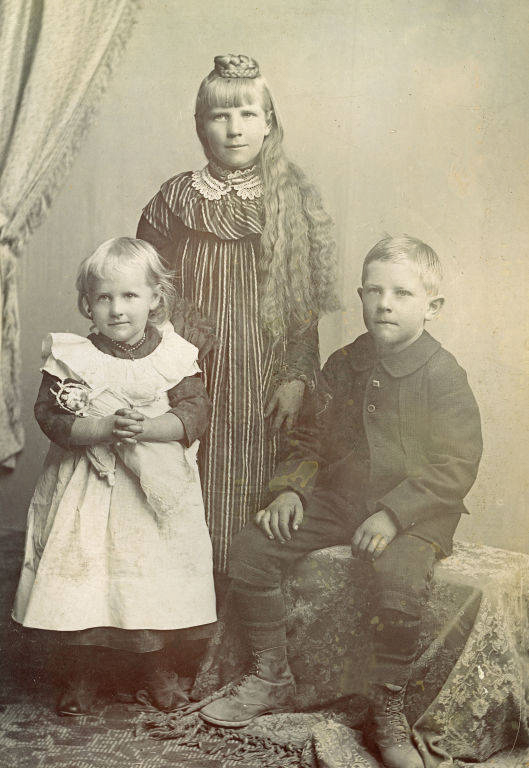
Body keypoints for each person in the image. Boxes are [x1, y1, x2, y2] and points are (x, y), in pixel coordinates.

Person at [199, 235, 483, 768]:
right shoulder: (344, 362)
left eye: (402, 293)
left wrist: (395, 513)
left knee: (400, 578)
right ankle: (271, 675)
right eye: (374, 291)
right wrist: (290, 489)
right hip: (342, 498)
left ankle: (386, 710)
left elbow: (457, 463)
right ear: (360, 296)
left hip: (416, 512)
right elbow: (309, 436)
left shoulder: (443, 373)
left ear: (433, 306)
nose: (385, 304)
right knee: (254, 546)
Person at [137, 54, 338, 574]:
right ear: (200, 125)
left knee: (255, 475)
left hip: (264, 369)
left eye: (248, 114)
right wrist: (177, 339)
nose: (234, 128)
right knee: (186, 476)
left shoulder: (292, 195)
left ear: (268, 122)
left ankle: (241, 601)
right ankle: (186, 602)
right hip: (191, 366)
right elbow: (145, 286)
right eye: (220, 116)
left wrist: (296, 376)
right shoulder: (176, 197)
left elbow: (303, 305)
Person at [12, 237, 217, 715]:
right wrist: (104, 427)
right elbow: (51, 417)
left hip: (150, 494)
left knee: (151, 576)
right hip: (89, 488)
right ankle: (84, 672)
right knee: (87, 575)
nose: (117, 309)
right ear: (88, 303)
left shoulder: (173, 356)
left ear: (155, 299)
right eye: (104, 297)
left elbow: (195, 413)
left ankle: (156, 668)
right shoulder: (73, 357)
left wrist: (146, 428)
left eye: (130, 296)